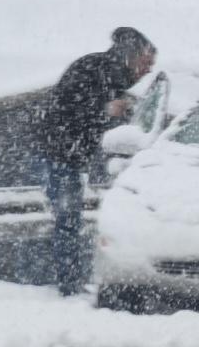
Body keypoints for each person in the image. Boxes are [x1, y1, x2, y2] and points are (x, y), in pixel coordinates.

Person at [39, 26, 157, 296]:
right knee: (67, 219)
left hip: (74, 157)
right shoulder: (94, 69)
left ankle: (72, 278)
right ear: (131, 55)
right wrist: (106, 110)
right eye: (147, 62)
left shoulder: (116, 77)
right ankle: (69, 285)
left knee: (70, 218)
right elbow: (69, 108)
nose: (149, 69)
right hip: (59, 154)